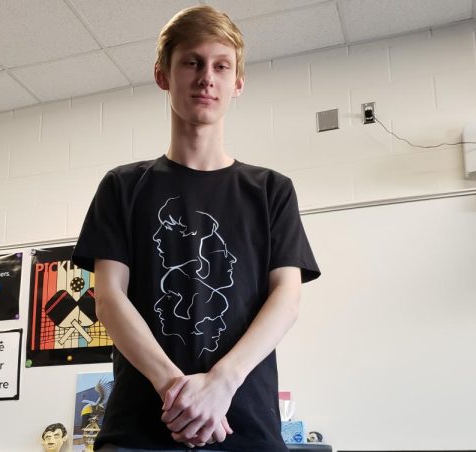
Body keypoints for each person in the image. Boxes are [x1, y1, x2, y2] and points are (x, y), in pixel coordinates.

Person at [72, 5, 319, 451]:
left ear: (237, 83)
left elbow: (287, 297)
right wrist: (176, 391)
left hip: (245, 425)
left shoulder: (271, 191)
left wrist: (222, 384)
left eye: (221, 66)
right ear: (163, 75)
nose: (207, 77)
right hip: (142, 428)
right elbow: (109, 299)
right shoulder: (122, 187)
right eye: (192, 62)